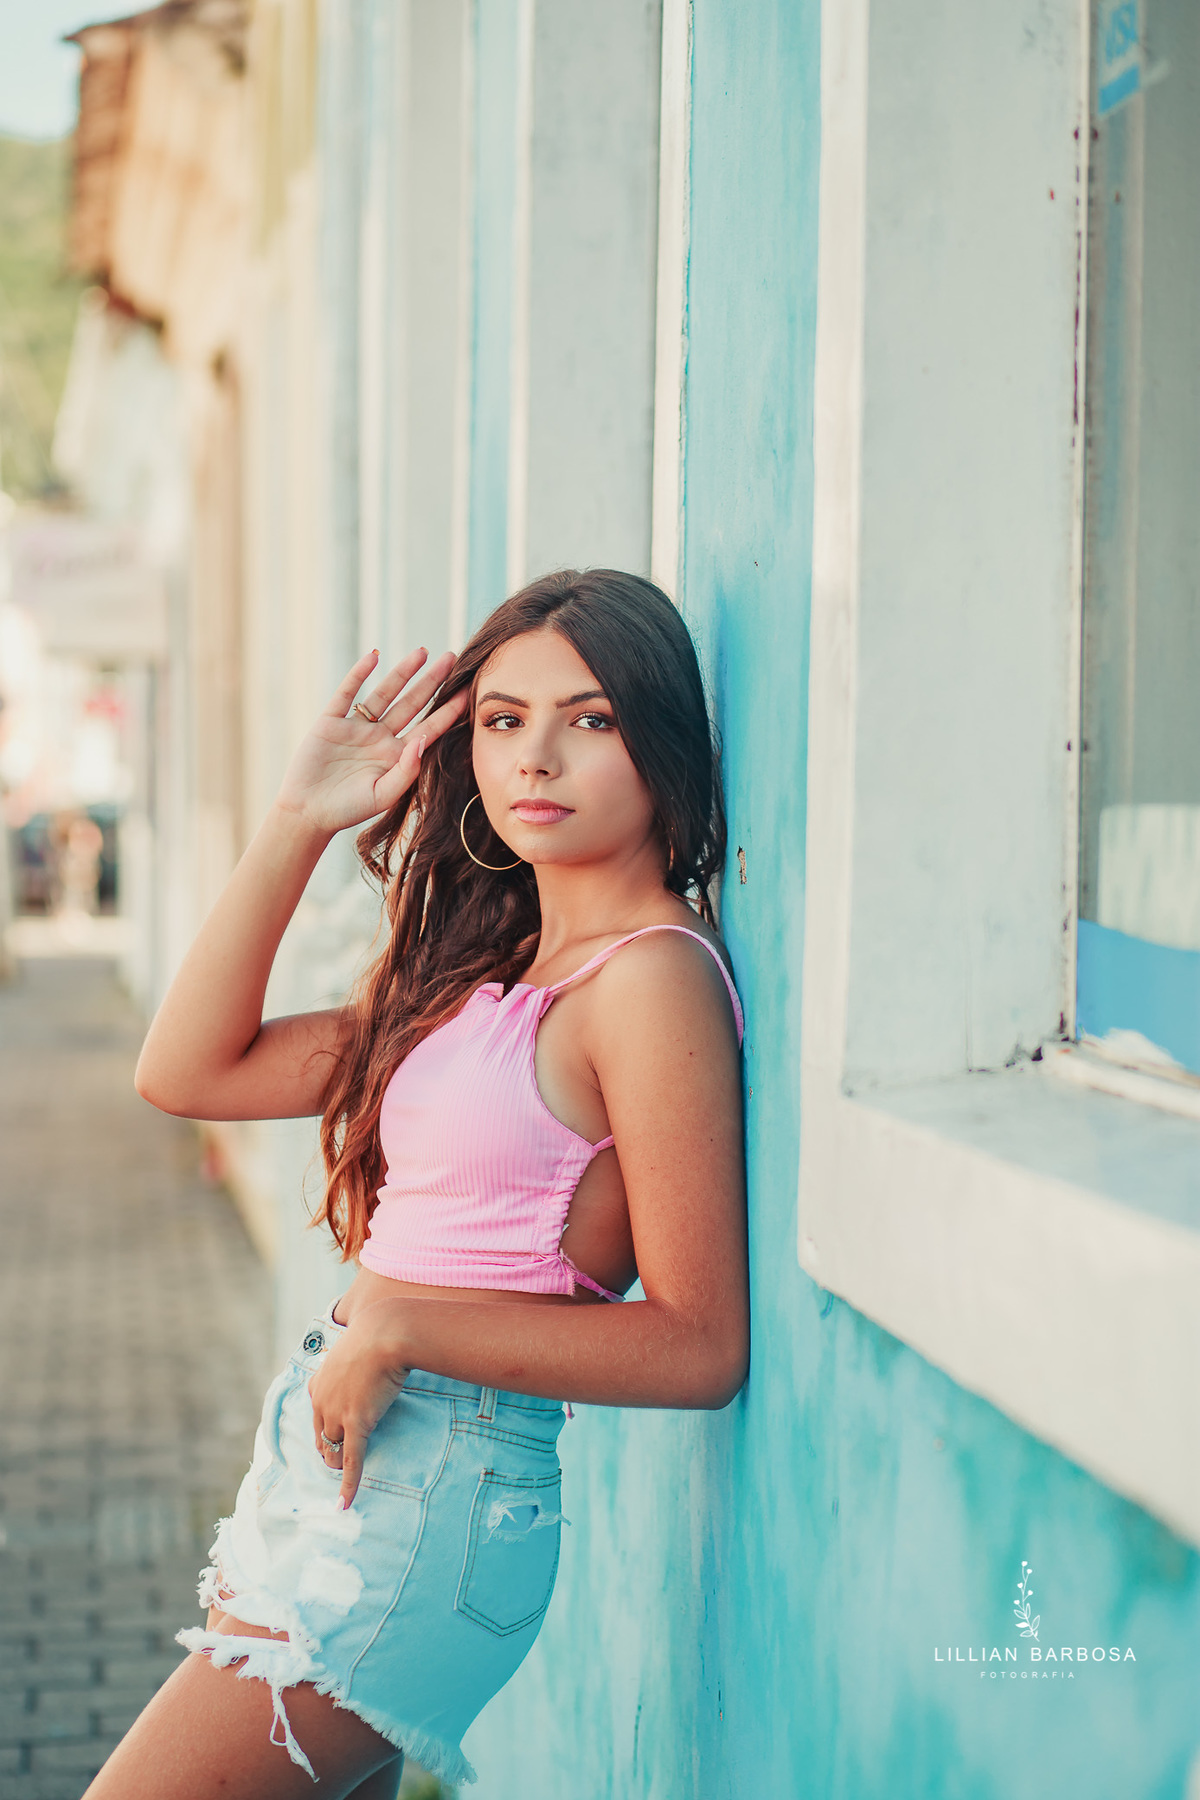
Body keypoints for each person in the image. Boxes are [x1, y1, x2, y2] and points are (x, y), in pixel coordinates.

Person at [85, 569, 748, 1800]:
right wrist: (299, 819)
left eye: (589, 720)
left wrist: (396, 1323)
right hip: (333, 1462)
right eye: (502, 720)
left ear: (661, 741)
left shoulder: (649, 982)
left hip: (438, 1490)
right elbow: (185, 1070)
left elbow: (699, 1345)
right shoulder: (485, 975)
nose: (536, 757)